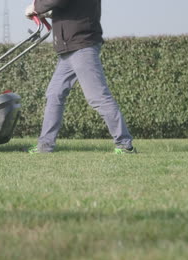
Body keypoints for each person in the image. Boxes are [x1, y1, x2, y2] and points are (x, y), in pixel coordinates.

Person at [25, 0, 136, 154]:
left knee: (98, 96)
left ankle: (125, 145)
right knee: (54, 94)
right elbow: (70, 9)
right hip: (69, 48)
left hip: (82, 46)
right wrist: (46, 13)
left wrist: (36, 6)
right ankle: (45, 146)